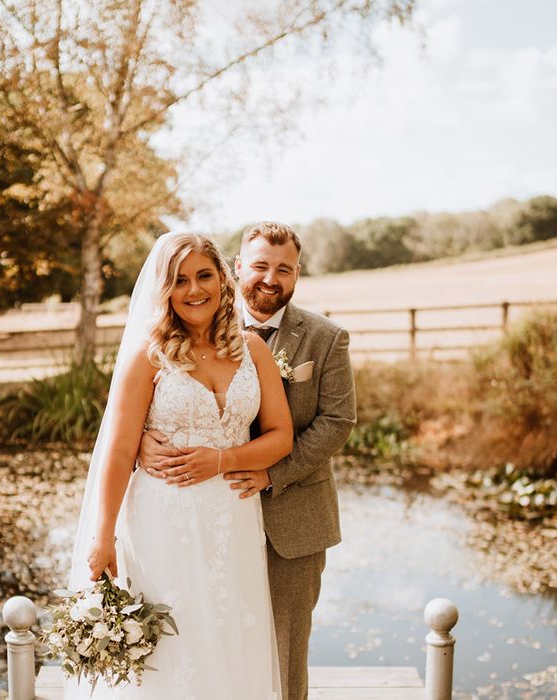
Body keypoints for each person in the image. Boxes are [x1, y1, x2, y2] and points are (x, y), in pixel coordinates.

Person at [65, 232, 293, 699]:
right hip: (162, 523)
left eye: (204, 275)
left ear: (224, 280)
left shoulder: (254, 351)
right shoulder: (147, 356)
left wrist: (223, 459)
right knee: (171, 650)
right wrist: (102, 536)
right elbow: (119, 450)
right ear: (164, 289)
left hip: (233, 521)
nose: (194, 290)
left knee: (231, 639)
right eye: (180, 280)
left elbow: (280, 438)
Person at [139, 222, 357, 700]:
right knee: (199, 643)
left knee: (282, 653)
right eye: (260, 265)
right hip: (197, 521)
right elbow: (140, 399)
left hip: (292, 519)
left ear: (298, 273)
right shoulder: (187, 319)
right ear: (237, 269)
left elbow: (337, 422)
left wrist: (270, 473)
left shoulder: (325, 338)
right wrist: (140, 441)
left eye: (285, 269)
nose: (270, 278)